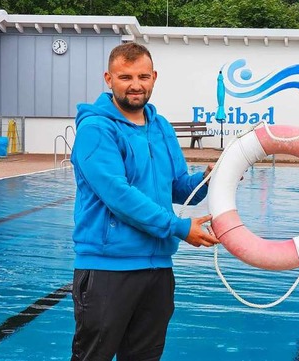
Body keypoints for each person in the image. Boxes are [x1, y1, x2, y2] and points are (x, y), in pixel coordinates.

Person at [70, 42, 220, 361]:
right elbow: (119, 196)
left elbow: (179, 188)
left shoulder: (161, 127)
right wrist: (178, 227)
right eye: (125, 77)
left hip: (158, 270)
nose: (135, 85)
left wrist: (210, 178)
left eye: (142, 76)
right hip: (107, 269)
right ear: (108, 79)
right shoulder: (96, 129)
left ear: (154, 77)